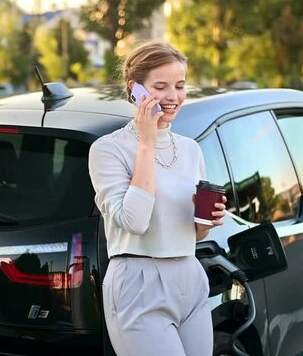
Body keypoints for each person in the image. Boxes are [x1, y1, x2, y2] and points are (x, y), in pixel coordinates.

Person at [88, 41, 227, 356]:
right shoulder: (108, 150)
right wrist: (147, 143)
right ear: (135, 90)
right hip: (138, 282)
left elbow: (191, 233)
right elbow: (134, 221)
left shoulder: (190, 149)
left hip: (189, 276)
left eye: (179, 86)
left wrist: (207, 222)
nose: (173, 96)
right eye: (160, 87)